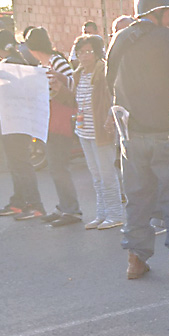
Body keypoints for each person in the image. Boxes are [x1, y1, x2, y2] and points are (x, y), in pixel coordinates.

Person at [107, 0, 169, 279]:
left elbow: (109, 81)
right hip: (166, 132)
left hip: (131, 134)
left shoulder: (120, 39)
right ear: (154, 12)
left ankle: (135, 259)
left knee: (137, 199)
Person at [24, 27, 81, 227]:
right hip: (50, 120)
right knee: (55, 166)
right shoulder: (44, 63)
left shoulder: (56, 61)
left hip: (60, 119)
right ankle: (64, 206)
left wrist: (58, 81)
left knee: (59, 167)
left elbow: (73, 84)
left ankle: (71, 209)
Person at [71, 34, 124, 230]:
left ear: (97, 53)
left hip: (101, 132)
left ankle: (115, 214)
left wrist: (110, 119)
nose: (84, 56)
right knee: (96, 176)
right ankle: (102, 214)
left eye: (88, 52)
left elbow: (113, 97)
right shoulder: (79, 73)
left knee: (107, 174)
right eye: (80, 52)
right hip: (84, 131)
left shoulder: (104, 71)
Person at [0, 29, 45, 220]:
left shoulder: (7, 66)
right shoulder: (20, 62)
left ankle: (35, 204)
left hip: (14, 121)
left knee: (21, 164)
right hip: (18, 120)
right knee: (16, 163)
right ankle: (19, 202)